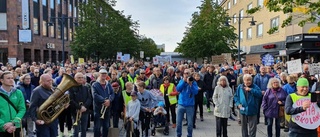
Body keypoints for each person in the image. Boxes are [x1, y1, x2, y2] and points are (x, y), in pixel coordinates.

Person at [0, 71, 26, 137]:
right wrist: (3, 125)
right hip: (1, 128)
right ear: (2, 80)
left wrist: (13, 122)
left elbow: (22, 109)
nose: (11, 80)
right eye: (8, 78)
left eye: (12, 78)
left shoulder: (18, 92)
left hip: (15, 127)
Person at [92, 69, 115, 137]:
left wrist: (109, 100)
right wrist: (104, 100)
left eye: (105, 74)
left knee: (106, 126)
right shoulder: (94, 84)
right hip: (98, 108)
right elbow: (95, 95)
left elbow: (112, 93)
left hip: (107, 109)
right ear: (99, 75)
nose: (104, 75)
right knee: (97, 127)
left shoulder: (108, 84)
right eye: (102, 74)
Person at [176, 68, 198, 137]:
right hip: (181, 104)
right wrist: (183, 81)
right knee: (178, 122)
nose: (186, 75)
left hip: (190, 105)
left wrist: (190, 84)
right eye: (185, 73)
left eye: (188, 73)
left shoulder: (193, 82)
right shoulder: (181, 81)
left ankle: (189, 135)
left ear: (190, 74)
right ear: (183, 74)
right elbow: (178, 89)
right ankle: (178, 135)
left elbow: (195, 92)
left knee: (190, 123)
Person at [69, 73, 92, 137]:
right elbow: (70, 100)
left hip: (85, 111)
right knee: (76, 130)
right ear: (75, 79)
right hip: (75, 111)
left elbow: (89, 98)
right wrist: (79, 107)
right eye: (79, 77)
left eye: (82, 77)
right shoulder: (71, 88)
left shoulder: (85, 88)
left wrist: (84, 106)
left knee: (84, 129)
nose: (81, 79)